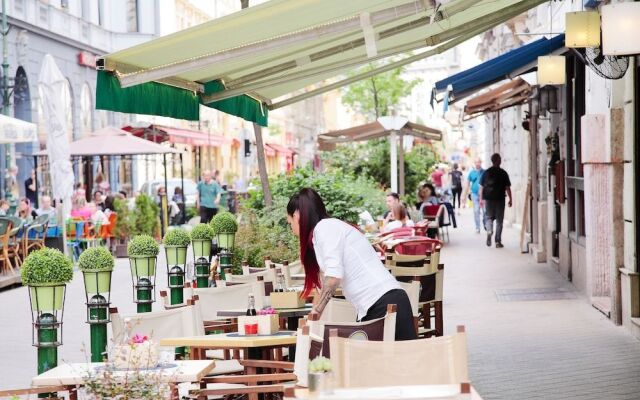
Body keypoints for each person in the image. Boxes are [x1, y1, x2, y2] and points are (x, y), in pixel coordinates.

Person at [286, 188, 416, 341]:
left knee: (366, 361)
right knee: (396, 363)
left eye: (290, 223)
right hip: (384, 301)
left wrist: (314, 317)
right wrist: (311, 322)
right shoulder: (329, 229)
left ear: (296, 216)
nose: (292, 230)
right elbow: (323, 284)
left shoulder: (324, 229)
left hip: (382, 303)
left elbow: (333, 278)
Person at [480, 153, 512, 248]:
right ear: (498, 160)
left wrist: (481, 199)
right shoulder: (503, 173)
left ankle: (489, 231)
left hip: (488, 199)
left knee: (489, 217)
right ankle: (498, 242)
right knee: (499, 221)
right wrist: (511, 199)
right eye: (500, 159)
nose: (501, 160)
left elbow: (481, 187)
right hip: (500, 199)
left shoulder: (486, 172)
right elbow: (507, 187)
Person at [467, 159, 485, 233]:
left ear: (481, 163)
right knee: (476, 210)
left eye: (479, 162)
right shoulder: (471, 173)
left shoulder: (484, 172)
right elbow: (468, 184)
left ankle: (485, 223)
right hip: (474, 194)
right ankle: (477, 227)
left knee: (485, 211)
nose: (478, 164)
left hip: (484, 194)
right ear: (474, 163)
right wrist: (466, 194)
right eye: (476, 162)